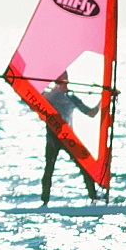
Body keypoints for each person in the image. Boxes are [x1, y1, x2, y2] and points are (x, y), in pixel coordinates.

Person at [42, 72, 99, 204]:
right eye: (60, 80)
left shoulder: (72, 97)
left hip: (67, 138)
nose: (63, 82)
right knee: (49, 168)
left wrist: (105, 98)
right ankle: (44, 201)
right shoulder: (49, 96)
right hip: (53, 138)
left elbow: (91, 113)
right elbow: (35, 98)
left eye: (65, 79)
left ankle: (94, 197)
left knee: (84, 166)